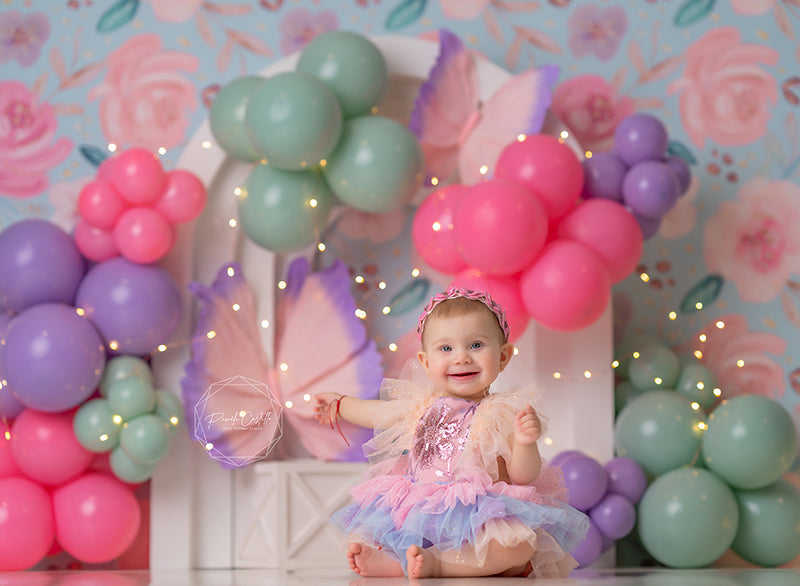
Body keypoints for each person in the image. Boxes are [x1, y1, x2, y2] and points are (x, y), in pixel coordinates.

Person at [313, 287, 589, 579]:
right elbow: (376, 412)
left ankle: (438, 564)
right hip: (421, 510)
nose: (461, 358)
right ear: (426, 362)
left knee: (519, 545)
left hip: (480, 517)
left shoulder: (501, 412)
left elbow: (523, 476)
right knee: (391, 535)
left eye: (476, 345)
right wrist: (341, 404)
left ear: (504, 356)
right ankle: (398, 562)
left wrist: (524, 443)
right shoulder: (419, 406)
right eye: (446, 348)